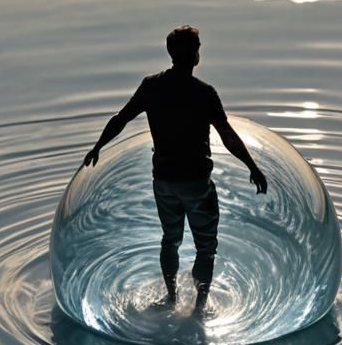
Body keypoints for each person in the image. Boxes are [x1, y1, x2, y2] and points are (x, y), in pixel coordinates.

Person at [83, 26, 267, 313]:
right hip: (196, 183)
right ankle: (199, 309)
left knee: (170, 239)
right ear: (194, 54)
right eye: (198, 47)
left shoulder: (151, 86)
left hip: (164, 181)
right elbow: (227, 135)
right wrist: (252, 166)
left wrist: (98, 146)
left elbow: (121, 119)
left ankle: (171, 298)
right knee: (206, 248)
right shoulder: (204, 93)